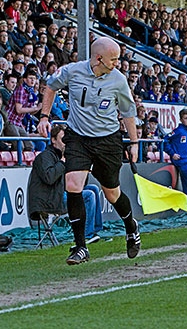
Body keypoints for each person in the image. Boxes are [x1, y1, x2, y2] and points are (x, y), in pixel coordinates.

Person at [38, 36, 141, 265]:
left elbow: (128, 112)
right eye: (113, 59)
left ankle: (131, 227)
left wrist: (134, 143)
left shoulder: (118, 80)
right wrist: (44, 116)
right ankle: (81, 247)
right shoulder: (72, 71)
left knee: (111, 193)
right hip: (78, 138)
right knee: (73, 186)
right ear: (98, 58)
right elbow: (50, 86)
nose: (117, 63)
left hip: (108, 141)